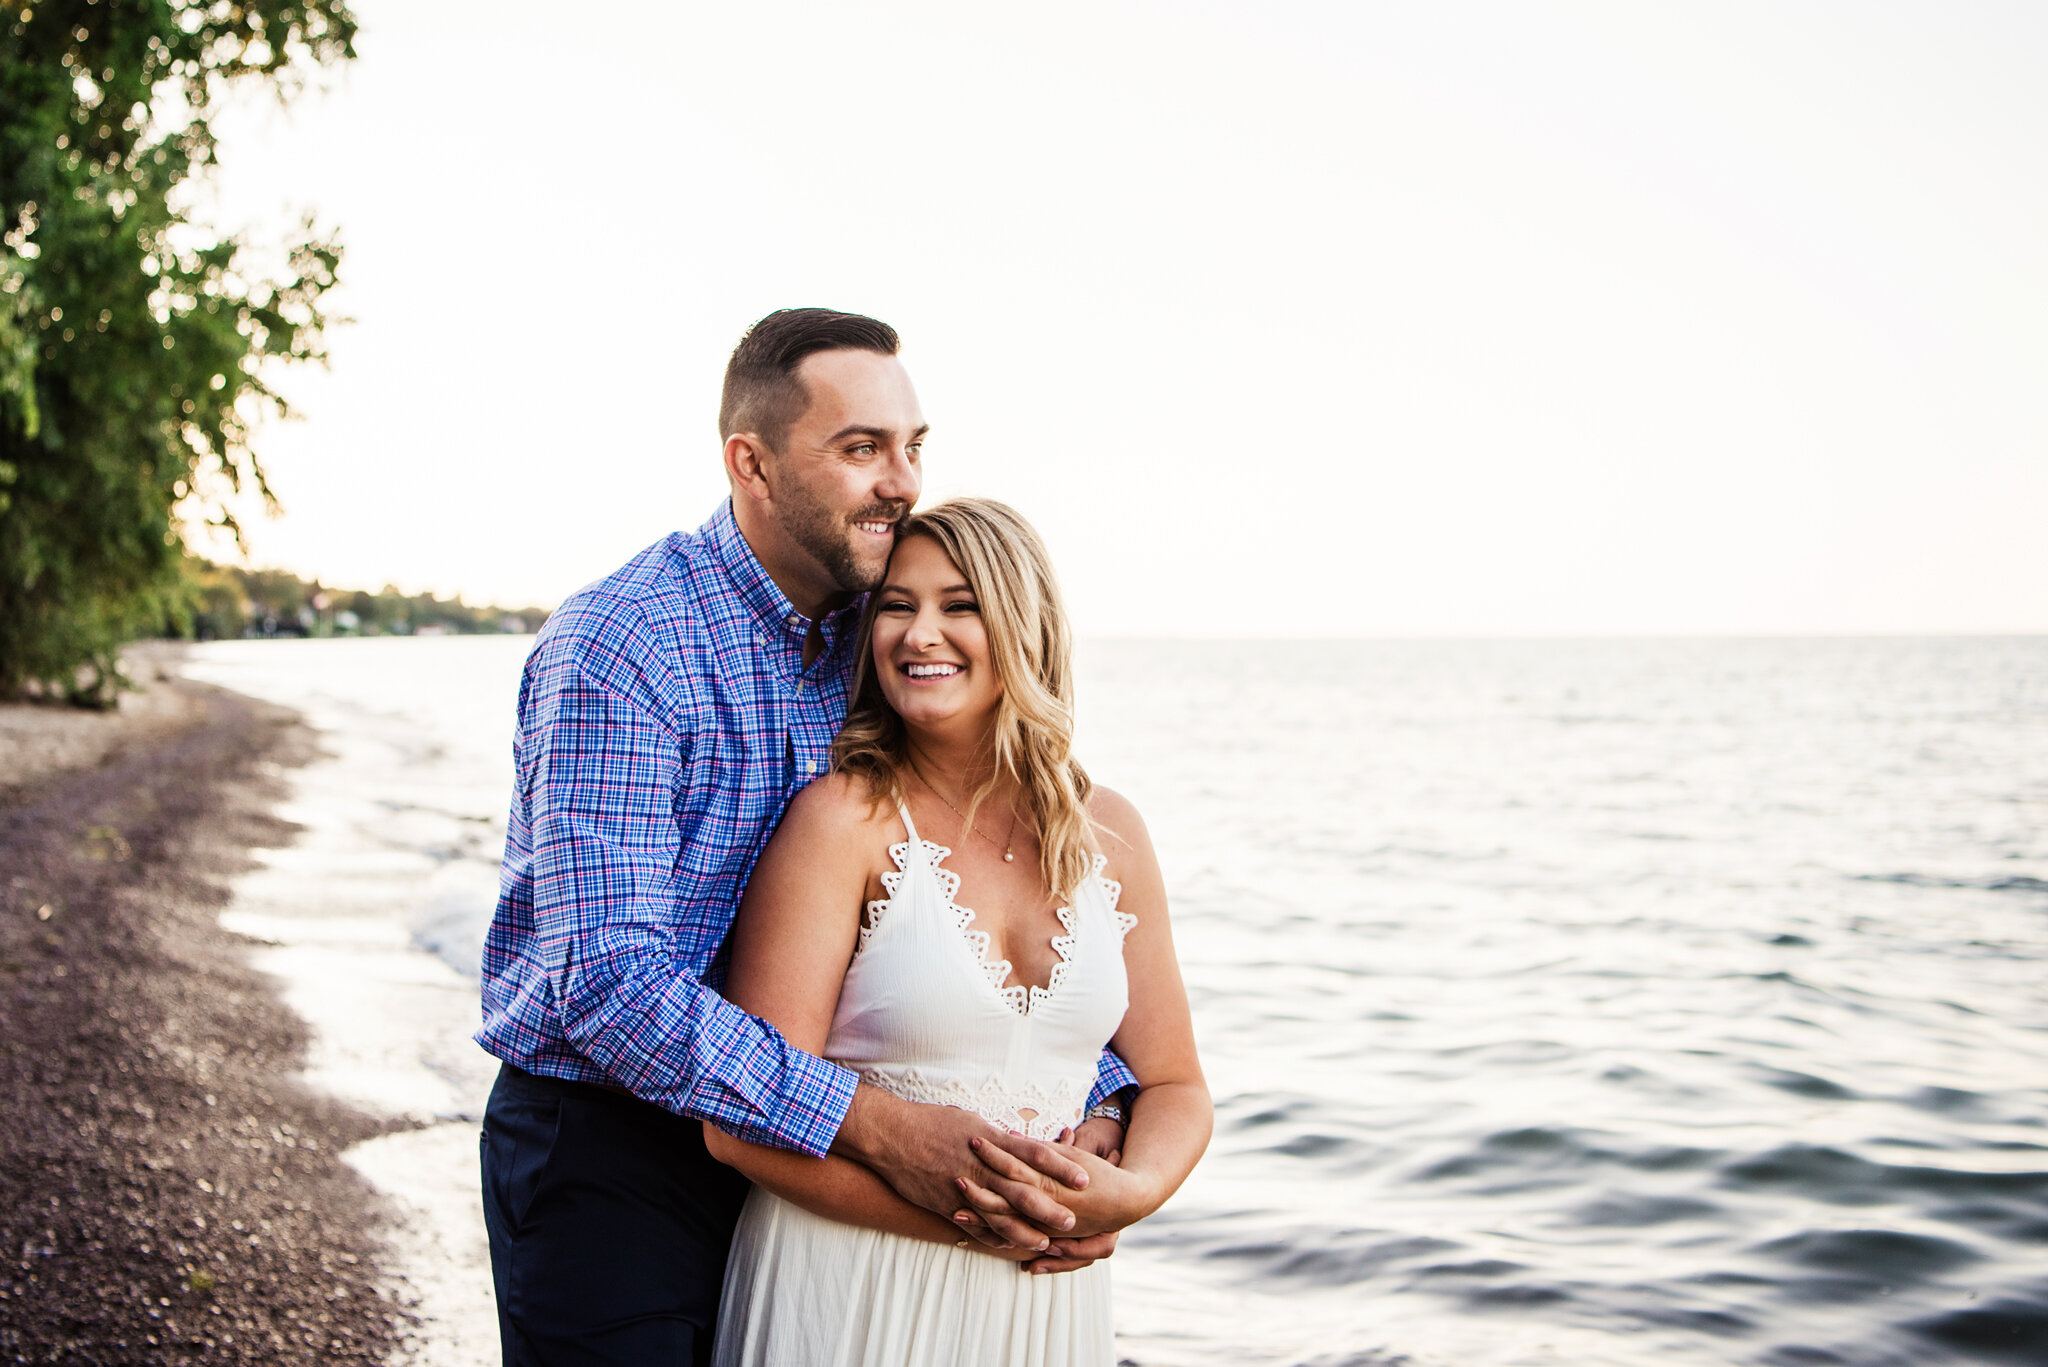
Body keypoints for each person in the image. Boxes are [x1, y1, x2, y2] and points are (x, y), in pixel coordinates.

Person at [474, 310, 1139, 1366]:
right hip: (612, 1153)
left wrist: (1094, 1093)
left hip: (804, 1155)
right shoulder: (623, 646)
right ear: (751, 462)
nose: (901, 481)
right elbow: (603, 983)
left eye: (913, 445)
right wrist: (870, 1124)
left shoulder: (882, 635)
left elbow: (961, 885)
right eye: (860, 448)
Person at [705, 498, 1211, 1366]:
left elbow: (1175, 1085)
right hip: (850, 1293)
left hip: (1044, 1307)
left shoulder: (1111, 833)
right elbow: (740, 1125)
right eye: (897, 605)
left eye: (960, 604)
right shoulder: (841, 823)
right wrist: (996, 1224)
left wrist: (1126, 1196)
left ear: (1024, 625)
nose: (919, 633)